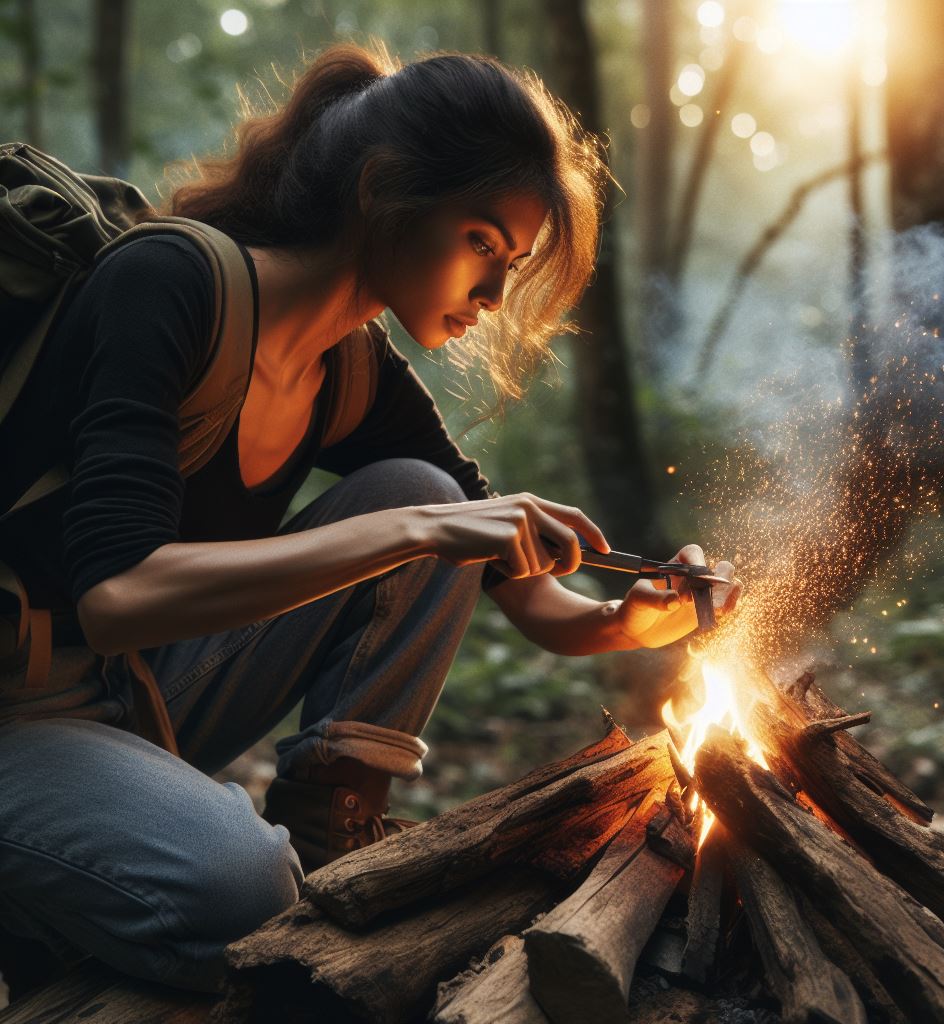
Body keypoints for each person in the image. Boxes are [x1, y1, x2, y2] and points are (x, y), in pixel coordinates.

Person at [0, 43, 738, 995]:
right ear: (383, 189)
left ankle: (333, 837)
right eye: (482, 242)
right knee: (244, 887)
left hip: (128, 700)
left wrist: (624, 622)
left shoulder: (351, 370)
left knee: (418, 491)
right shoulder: (170, 283)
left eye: (510, 262)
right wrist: (423, 532)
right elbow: (117, 596)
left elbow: (515, 583)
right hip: (21, 710)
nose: (495, 293)